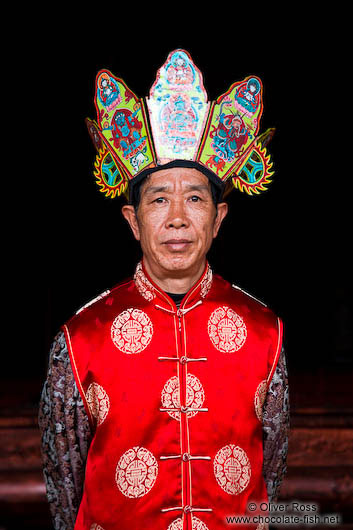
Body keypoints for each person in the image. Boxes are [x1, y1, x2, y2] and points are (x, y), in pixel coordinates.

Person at [39, 50, 289, 530]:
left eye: (195, 198)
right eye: (158, 199)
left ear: (218, 219)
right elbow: (64, 487)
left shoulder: (265, 333)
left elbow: (270, 473)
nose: (177, 217)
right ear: (134, 221)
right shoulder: (80, 338)